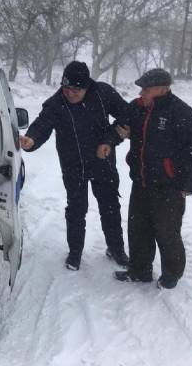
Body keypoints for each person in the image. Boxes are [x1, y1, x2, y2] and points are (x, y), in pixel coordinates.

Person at [19, 61, 130, 271]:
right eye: (66, 88)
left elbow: (126, 117)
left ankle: (116, 249)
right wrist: (31, 140)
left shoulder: (102, 93)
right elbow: (42, 124)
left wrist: (109, 140)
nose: (70, 93)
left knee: (110, 207)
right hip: (73, 164)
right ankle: (75, 252)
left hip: (102, 161)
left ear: (87, 86)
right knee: (76, 209)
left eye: (76, 89)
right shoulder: (57, 102)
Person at [107, 69, 192, 289]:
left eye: (146, 89)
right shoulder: (137, 108)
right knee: (138, 229)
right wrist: (111, 139)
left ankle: (171, 275)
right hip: (141, 181)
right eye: (141, 88)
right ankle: (139, 270)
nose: (142, 92)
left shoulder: (180, 112)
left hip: (169, 186)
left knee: (167, 232)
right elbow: (119, 127)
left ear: (163, 88)